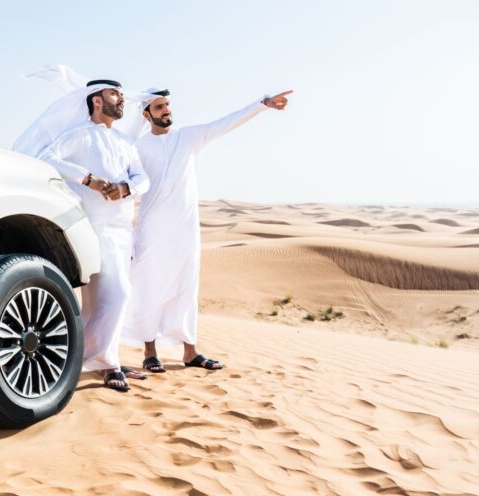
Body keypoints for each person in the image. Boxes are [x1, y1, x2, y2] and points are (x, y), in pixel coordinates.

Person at [122, 87, 292, 373]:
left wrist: (261, 104)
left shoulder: (189, 137)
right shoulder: (136, 148)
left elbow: (227, 122)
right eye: (160, 107)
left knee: (187, 286)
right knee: (150, 285)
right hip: (152, 228)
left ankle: (190, 351)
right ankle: (149, 352)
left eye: (167, 105)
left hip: (186, 228)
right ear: (146, 114)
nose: (167, 110)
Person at [33, 79, 150, 391]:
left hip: (123, 229)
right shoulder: (77, 135)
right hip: (93, 228)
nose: (121, 99)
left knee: (101, 303)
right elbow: (44, 158)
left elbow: (143, 178)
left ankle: (88, 359)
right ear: (97, 100)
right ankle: (105, 363)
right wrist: (87, 179)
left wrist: (126, 187)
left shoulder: (125, 142)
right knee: (118, 295)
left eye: (122, 94)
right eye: (114, 94)